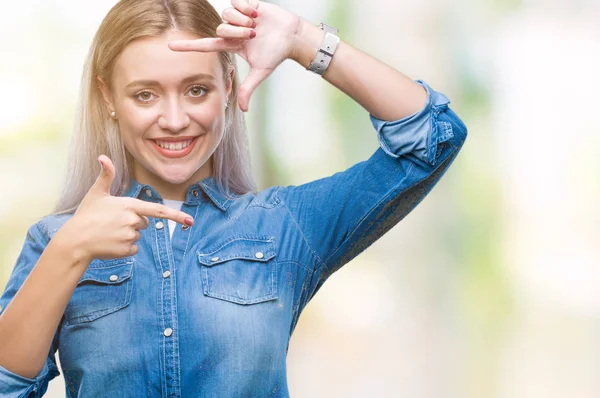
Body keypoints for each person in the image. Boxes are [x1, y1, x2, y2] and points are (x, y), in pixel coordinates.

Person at [0, 0, 468, 396]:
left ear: (228, 86)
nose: (175, 118)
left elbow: (433, 136)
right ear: (108, 98)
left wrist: (303, 40)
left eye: (196, 90)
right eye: (145, 95)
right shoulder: (56, 241)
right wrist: (70, 250)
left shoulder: (284, 226)